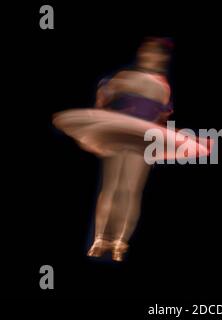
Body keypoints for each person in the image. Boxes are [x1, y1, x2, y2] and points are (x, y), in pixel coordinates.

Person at [53, 37, 211, 262]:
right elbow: (103, 103)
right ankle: (100, 238)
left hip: (141, 139)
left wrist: (159, 145)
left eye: (158, 55)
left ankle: (119, 241)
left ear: (162, 59)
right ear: (143, 54)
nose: (153, 58)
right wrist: (99, 121)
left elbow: (160, 120)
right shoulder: (124, 77)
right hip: (119, 133)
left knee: (129, 190)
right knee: (111, 186)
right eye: (149, 53)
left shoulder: (162, 86)